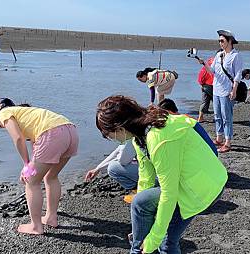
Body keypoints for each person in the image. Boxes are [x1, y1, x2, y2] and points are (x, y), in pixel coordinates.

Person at [96, 95, 227, 254]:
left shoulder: (159, 139)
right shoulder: (140, 136)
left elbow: (169, 194)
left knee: (166, 242)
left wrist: (154, 238)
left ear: (120, 128)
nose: (110, 139)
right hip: (188, 180)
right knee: (140, 202)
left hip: (203, 187)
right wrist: (145, 225)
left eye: (108, 135)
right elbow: (145, 179)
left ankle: (139, 250)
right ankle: (137, 250)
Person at [0, 98, 79, 235]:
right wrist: (31, 164)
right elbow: (36, 146)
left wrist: (26, 166)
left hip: (52, 133)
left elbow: (18, 138)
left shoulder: (4, 112)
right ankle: (51, 217)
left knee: (31, 181)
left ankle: (36, 226)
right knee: (51, 176)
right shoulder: (28, 114)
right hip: (70, 131)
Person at [198, 30, 243, 153]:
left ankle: (228, 142)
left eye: (222, 40)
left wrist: (234, 90)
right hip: (216, 89)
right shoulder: (219, 55)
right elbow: (212, 71)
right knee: (217, 115)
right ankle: (219, 138)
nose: (220, 43)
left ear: (230, 41)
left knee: (226, 117)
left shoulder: (235, 56)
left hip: (226, 91)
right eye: (219, 41)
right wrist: (204, 63)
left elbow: (238, 75)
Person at [197, 52, 216, 122]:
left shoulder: (208, 61)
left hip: (204, 85)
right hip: (212, 85)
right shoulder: (217, 63)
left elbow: (203, 73)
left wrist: (201, 83)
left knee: (204, 101)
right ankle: (218, 117)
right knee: (216, 102)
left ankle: (200, 117)